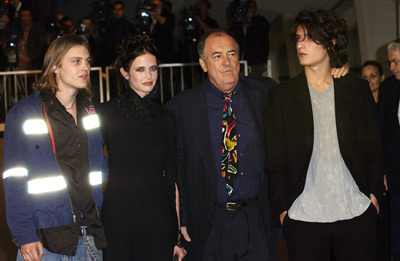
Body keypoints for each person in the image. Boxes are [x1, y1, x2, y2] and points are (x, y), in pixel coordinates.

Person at [264, 9, 384, 260]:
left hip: (356, 209)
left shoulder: (356, 88)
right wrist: (283, 210)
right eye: (298, 38)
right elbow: (275, 160)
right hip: (303, 215)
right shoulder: (281, 96)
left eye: (309, 37)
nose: (300, 44)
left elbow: (373, 146)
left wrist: (374, 196)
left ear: (331, 43)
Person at [165, 28, 278, 260]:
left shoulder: (265, 92)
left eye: (232, 54)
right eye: (217, 56)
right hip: (209, 224)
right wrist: (181, 220)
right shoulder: (181, 108)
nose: (226, 62)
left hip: (256, 218)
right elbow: (177, 170)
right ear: (203, 64)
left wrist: (335, 72)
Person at [2, 34, 108, 260]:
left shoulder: (89, 111)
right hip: (44, 242)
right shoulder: (25, 112)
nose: (85, 67)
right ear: (55, 67)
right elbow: (14, 179)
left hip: (89, 234)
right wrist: (24, 234)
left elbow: (99, 166)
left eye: (88, 61)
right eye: (76, 61)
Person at [96, 35, 186, 261]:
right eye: (140, 69)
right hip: (119, 218)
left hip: (159, 218)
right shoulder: (104, 113)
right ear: (125, 73)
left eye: (153, 68)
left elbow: (172, 177)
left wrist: (176, 234)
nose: (148, 75)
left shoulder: (167, 119)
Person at [378, 38, 400, 261]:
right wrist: (382, 170)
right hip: (395, 173)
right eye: (390, 62)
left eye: (396, 62)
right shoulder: (388, 89)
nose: (391, 67)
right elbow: (381, 131)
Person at [240, 0, 270, 77]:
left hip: (256, 61)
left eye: (252, 7)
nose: (250, 9)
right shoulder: (242, 25)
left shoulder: (260, 21)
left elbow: (265, 29)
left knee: (255, 81)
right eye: (248, 7)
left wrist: (252, 18)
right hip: (243, 61)